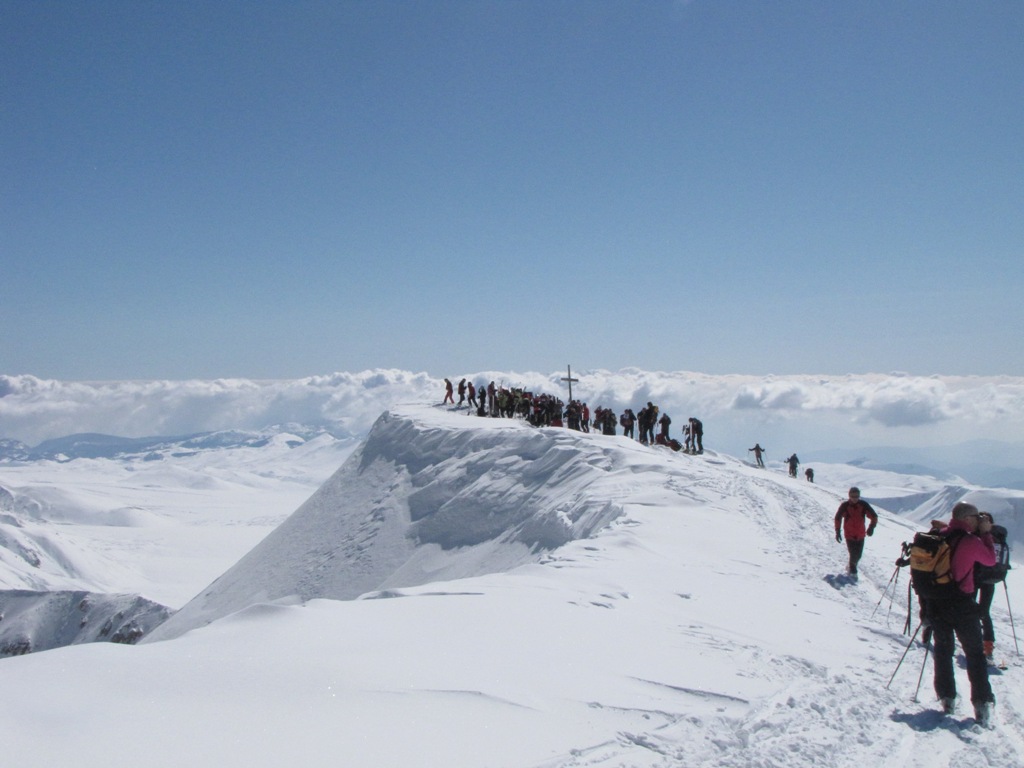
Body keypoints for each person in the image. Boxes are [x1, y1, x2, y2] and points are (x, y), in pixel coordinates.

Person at [925, 502, 997, 724]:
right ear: (967, 519)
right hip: (963, 605)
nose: (977, 520)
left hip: (938, 604)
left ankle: (947, 698)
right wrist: (986, 534)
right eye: (975, 517)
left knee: (943, 651)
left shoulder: (941, 535)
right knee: (975, 655)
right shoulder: (970, 541)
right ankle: (981, 703)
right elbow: (990, 560)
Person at [833, 487, 877, 576]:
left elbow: (874, 516)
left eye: (856, 496)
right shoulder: (845, 506)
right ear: (849, 496)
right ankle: (852, 570)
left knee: (859, 555)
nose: (855, 498)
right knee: (853, 553)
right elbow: (838, 518)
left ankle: (852, 565)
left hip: (861, 534)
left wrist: (871, 527)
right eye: (853, 496)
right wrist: (837, 531)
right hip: (849, 534)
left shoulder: (863, 505)